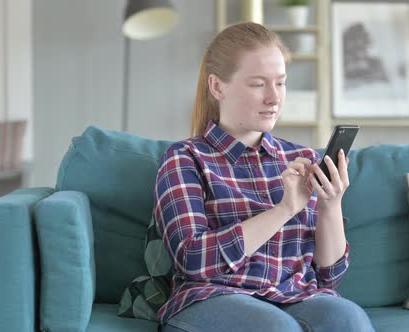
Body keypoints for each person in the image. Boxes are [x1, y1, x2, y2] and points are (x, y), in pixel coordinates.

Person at [153, 22, 374, 332]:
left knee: (347, 318)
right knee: (276, 327)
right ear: (218, 87)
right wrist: (284, 209)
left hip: (297, 296)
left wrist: (330, 204)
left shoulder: (302, 159)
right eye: (258, 84)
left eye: (280, 83)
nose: (274, 98)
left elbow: (328, 276)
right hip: (213, 297)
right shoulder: (186, 159)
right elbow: (193, 258)